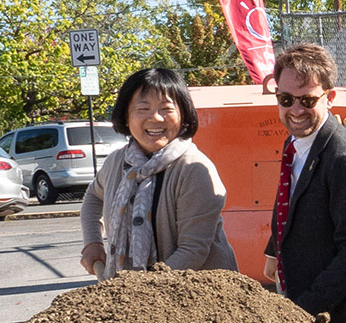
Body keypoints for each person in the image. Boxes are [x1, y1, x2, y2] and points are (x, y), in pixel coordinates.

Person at [262, 43, 346, 323]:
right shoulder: (294, 145)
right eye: (286, 99)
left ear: (329, 97)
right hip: (310, 311)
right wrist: (273, 249)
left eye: (307, 100)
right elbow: (290, 202)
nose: (295, 110)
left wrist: (304, 310)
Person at [79, 67, 236, 280]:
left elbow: (193, 250)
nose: (156, 118)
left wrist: (140, 293)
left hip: (197, 292)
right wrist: (93, 243)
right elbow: (93, 198)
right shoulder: (117, 162)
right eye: (142, 109)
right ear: (126, 117)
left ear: (183, 115)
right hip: (137, 293)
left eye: (166, 109)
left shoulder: (194, 169)